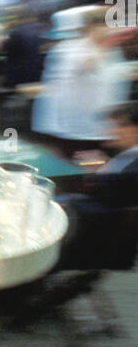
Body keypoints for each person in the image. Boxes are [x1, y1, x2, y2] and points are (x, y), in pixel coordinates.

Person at [32, 7, 131, 153]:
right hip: (76, 129)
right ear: (92, 27)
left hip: (107, 127)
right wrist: (104, 48)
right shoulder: (69, 49)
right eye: (107, 26)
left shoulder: (113, 50)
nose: (112, 30)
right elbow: (83, 68)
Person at [54, 103, 138, 271]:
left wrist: (99, 171)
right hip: (89, 222)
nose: (109, 131)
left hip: (92, 238)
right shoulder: (127, 157)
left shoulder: (132, 167)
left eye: (118, 125)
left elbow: (111, 195)